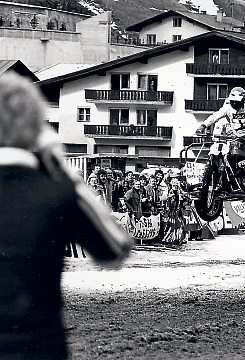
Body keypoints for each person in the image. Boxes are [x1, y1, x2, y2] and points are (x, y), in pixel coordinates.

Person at [0, 73, 131, 360]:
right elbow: (115, 248)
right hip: (38, 347)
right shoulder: (57, 190)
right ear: (36, 128)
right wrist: (65, 173)